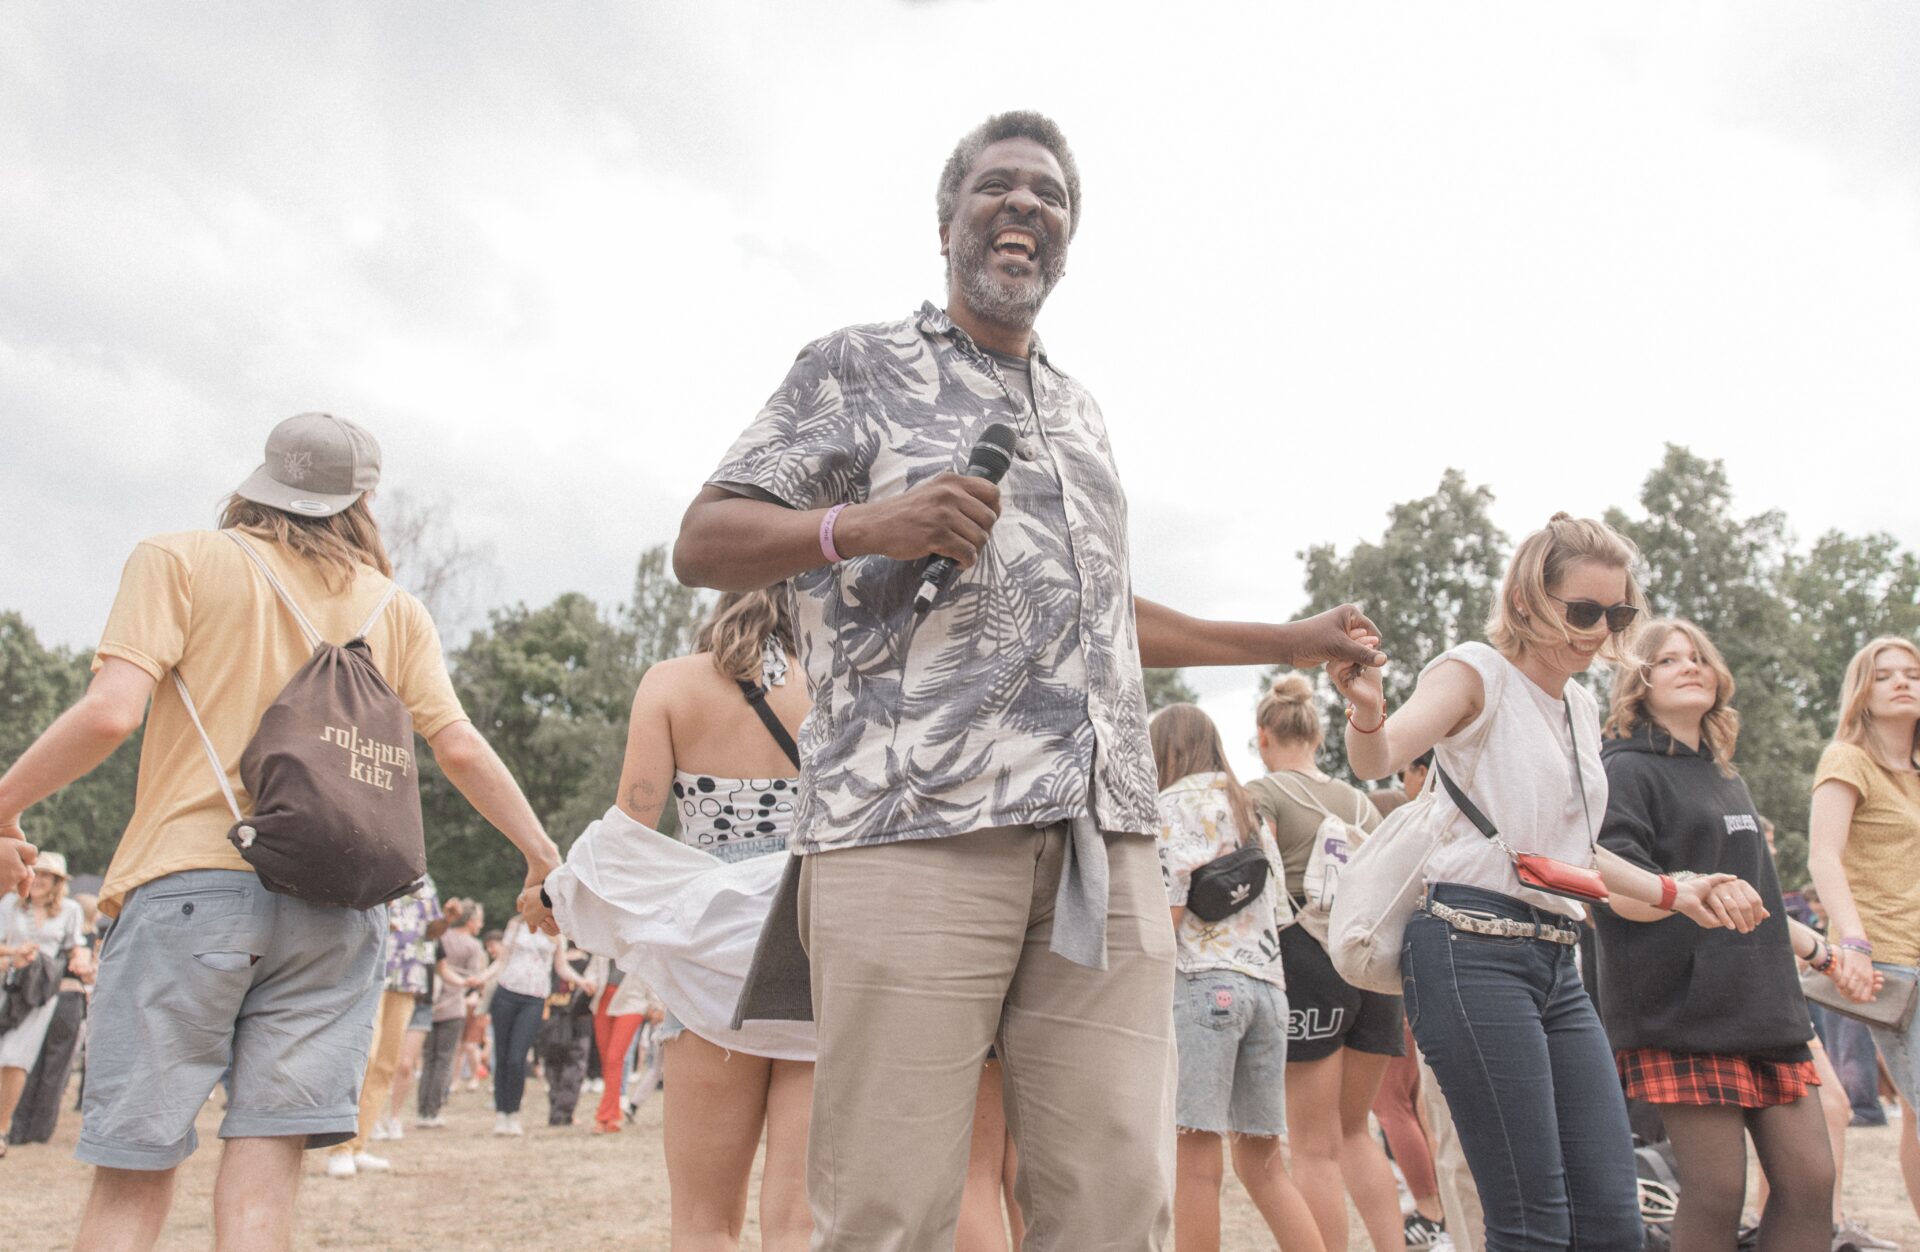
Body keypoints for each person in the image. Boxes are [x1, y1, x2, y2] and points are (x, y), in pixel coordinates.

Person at [669, 107, 1384, 1250]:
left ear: (1066, 240)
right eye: (998, 186)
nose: (1024, 206)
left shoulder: (1081, 413)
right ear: (946, 219)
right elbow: (703, 538)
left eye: (1049, 196)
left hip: (1106, 844)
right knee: (892, 1206)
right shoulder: (857, 365)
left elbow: (1103, 608)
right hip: (912, 828)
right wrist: (869, 523)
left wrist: (1283, 636)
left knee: (1115, 1203)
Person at [0, 413, 563, 1250]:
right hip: (335, 914)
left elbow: (110, 714)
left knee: (134, 1177)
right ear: (362, 499)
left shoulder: (180, 560)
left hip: (190, 889)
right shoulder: (395, 610)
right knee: (265, 1183)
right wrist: (540, 854)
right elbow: (458, 746)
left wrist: (5, 804)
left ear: (261, 481)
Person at [1333, 513, 1764, 1251]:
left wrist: (1676, 890)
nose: (1601, 630)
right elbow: (1378, 760)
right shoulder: (1475, 670)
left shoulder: (1579, 705)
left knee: (1613, 1222)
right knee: (1533, 1225)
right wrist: (1368, 713)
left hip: (1554, 959)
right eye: (1585, 610)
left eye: (1618, 613)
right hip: (1468, 947)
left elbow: (1582, 853)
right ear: (1529, 599)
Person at [1594, 618, 1835, 1250]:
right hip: (1680, 1012)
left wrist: (1824, 953)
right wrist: (1687, 888)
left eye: (1698, 656)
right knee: (1717, 1192)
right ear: (1639, 683)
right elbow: (1614, 892)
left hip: (1766, 1008)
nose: (1689, 665)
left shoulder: (1729, 776)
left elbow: (1757, 900)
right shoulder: (1622, 770)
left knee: (1813, 1184)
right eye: (1669, 659)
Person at [1243, 676, 1409, 1252]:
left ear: (1264, 737)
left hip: (1307, 963)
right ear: (1316, 735)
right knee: (1355, 1131)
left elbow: (1251, 873)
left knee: (1312, 1145)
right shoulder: (1362, 802)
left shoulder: (1261, 792)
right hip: (1373, 968)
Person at [1152, 704, 1324, 1252]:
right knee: (1265, 1166)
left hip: (1204, 986)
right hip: (1269, 993)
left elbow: (1168, 912)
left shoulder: (1168, 806)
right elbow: (1278, 911)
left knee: (1196, 1165)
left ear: (1165, 753)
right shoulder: (1247, 807)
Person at [1808, 635, 1920, 1223]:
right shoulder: (1848, 758)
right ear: (1862, 693)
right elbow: (1823, 856)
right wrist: (1852, 941)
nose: (1902, 682)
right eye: (1885, 675)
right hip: (1891, 960)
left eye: (1913, 672)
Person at [327, 876, 442, 1178]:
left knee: (387, 1066)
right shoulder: (377, 862)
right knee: (366, 1058)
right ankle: (339, 1148)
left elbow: (432, 930)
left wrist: (449, 920)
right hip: (370, 970)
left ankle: (360, 1145)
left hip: (407, 978)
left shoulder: (425, 881)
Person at [0, 849, 87, 1156]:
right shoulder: (10, 904)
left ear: (56, 882)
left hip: (39, 993)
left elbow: (75, 947)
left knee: (15, 1057)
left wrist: (82, 961)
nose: (38, 880)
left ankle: (1, 1128)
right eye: (35, 873)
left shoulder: (71, 910)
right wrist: (14, 954)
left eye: (46, 875)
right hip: (7, 983)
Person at [490, 910, 590, 1137]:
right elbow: (502, 960)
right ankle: (501, 1113)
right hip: (507, 992)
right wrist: (483, 978)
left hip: (534, 998)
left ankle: (513, 1112)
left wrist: (581, 981)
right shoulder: (516, 925)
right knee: (502, 1056)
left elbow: (561, 967)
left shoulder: (555, 933)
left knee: (517, 1058)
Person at [418, 899, 487, 1127]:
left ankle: (422, 1109)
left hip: (429, 1001)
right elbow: (475, 979)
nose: (481, 924)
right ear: (470, 920)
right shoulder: (473, 946)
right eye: (479, 919)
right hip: (453, 1006)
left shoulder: (440, 935)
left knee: (428, 1058)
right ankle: (433, 1111)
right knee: (444, 1059)